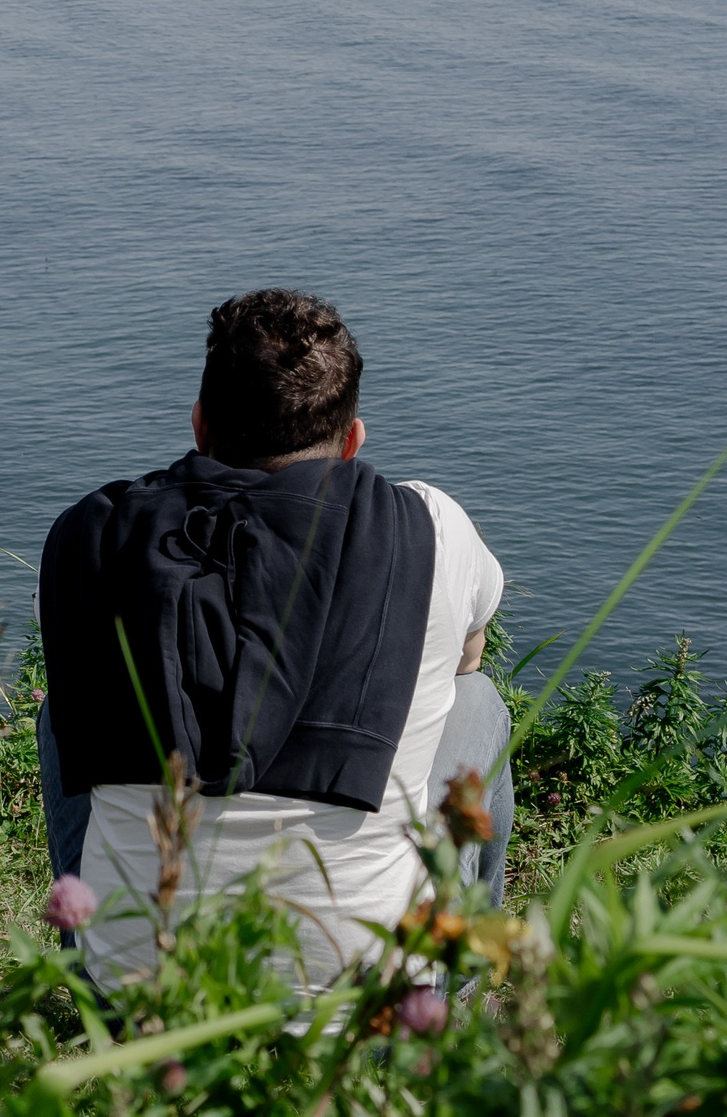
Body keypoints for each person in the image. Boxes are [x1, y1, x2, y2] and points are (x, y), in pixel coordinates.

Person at [35, 288, 512, 989]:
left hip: (133, 1003)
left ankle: (89, 932)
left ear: (200, 426)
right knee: (477, 700)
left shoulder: (90, 534)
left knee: (60, 716)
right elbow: (467, 655)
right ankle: (459, 991)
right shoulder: (429, 527)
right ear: (350, 444)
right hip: (366, 1011)